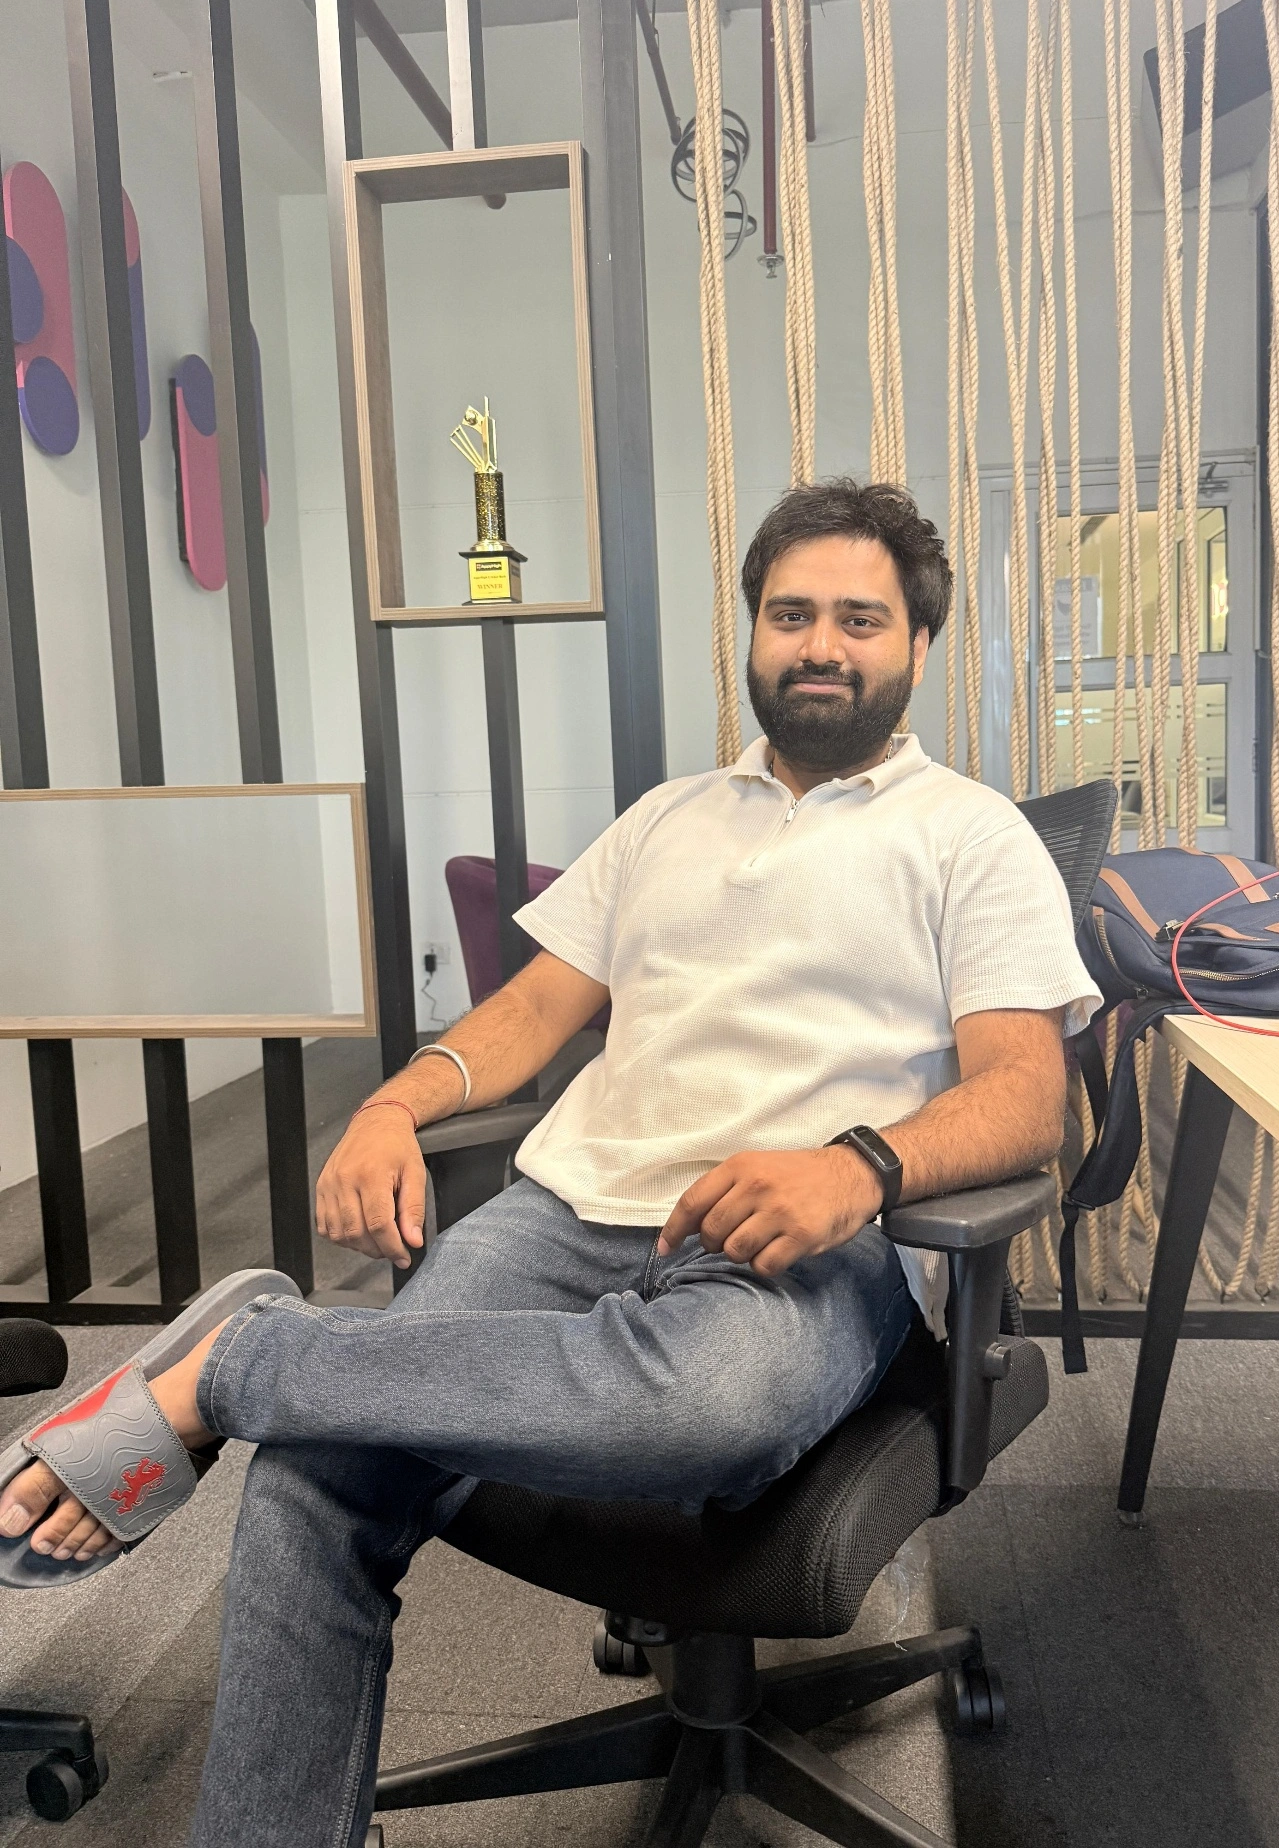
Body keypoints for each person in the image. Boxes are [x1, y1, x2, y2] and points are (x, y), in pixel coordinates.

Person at [0, 479, 1100, 1845]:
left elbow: (1026, 1100)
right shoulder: (664, 819)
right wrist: (392, 1108)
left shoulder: (970, 835)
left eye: (859, 620)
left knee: (704, 1407)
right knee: (315, 1475)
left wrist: (860, 1167)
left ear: (919, 645)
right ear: (752, 633)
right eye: (790, 614)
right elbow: (527, 1014)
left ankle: (239, 1362)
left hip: (799, 1246)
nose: (820, 644)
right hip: (565, 1214)